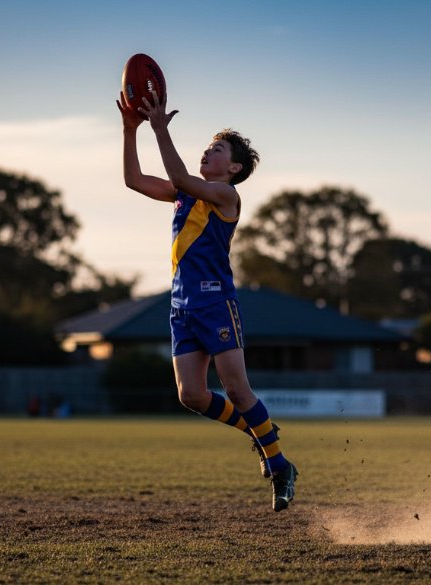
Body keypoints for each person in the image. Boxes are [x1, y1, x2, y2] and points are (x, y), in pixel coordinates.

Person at [116, 89, 298, 512]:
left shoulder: (226, 197)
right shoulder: (186, 194)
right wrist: (130, 131)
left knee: (236, 388)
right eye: (207, 147)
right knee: (192, 396)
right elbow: (133, 179)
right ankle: (261, 433)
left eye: (216, 150)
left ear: (233, 168)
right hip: (182, 306)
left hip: (216, 303)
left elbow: (180, 178)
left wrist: (159, 129)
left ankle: (280, 466)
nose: (207, 152)